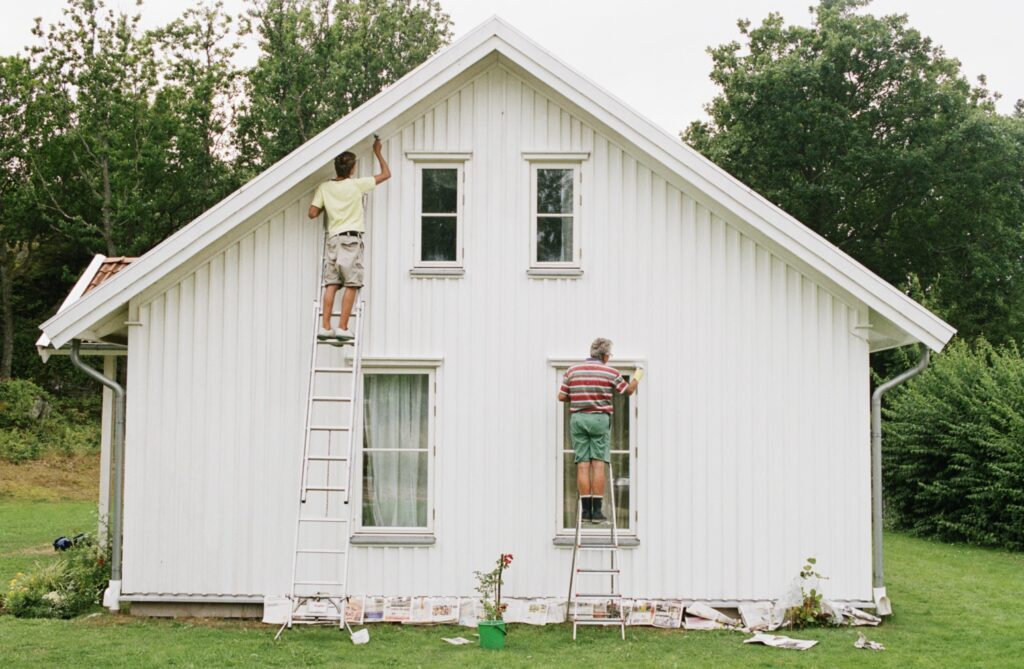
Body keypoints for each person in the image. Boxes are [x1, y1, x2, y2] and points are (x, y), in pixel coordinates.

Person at [307, 136, 391, 340]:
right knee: (352, 283)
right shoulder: (356, 185)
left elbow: (312, 213)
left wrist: (327, 205)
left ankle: (325, 327)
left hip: (334, 240)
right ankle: (343, 327)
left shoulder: (325, 188)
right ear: (352, 169)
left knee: (332, 284)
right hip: (350, 240)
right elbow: (386, 174)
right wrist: (378, 152)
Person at [558, 338, 644, 522]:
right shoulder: (610, 372)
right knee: (597, 463)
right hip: (599, 418)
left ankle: (584, 511)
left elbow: (562, 396)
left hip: (578, 418)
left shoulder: (572, 371)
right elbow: (628, 391)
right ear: (605, 355)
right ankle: (596, 513)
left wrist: (579, 399)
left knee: (582, 463)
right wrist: (638, 374)